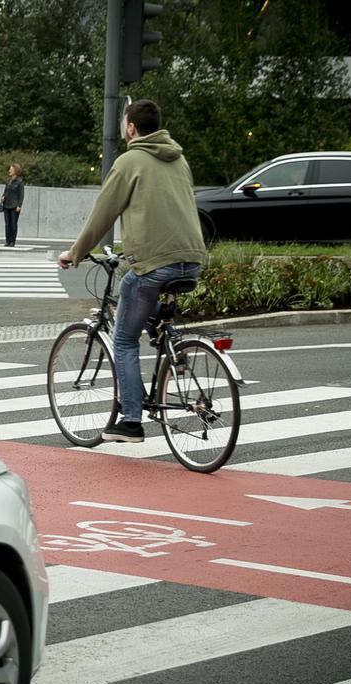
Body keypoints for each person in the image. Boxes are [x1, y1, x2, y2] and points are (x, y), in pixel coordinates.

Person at [58, 99, 207, 443]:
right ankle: (167, 340)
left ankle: (130, 421)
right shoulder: (179, 158)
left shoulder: (129, 162)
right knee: (146, 308)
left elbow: (102, 215)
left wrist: (76, 253)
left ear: (130, 127)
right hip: (191, 259)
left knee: (124, 338)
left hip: (153, 264)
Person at [2, 162, 25, 247]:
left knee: (13, 224)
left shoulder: (20, 182)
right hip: (6, 204)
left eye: (11, 169)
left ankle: (12, 241)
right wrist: (3, 197)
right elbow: (5, 191)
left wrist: (19, 205)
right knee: (7, 224)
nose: (9, 170)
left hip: (14, 205)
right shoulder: (8, 180)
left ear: (16, 170)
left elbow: (21, 195)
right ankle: (7, 241)